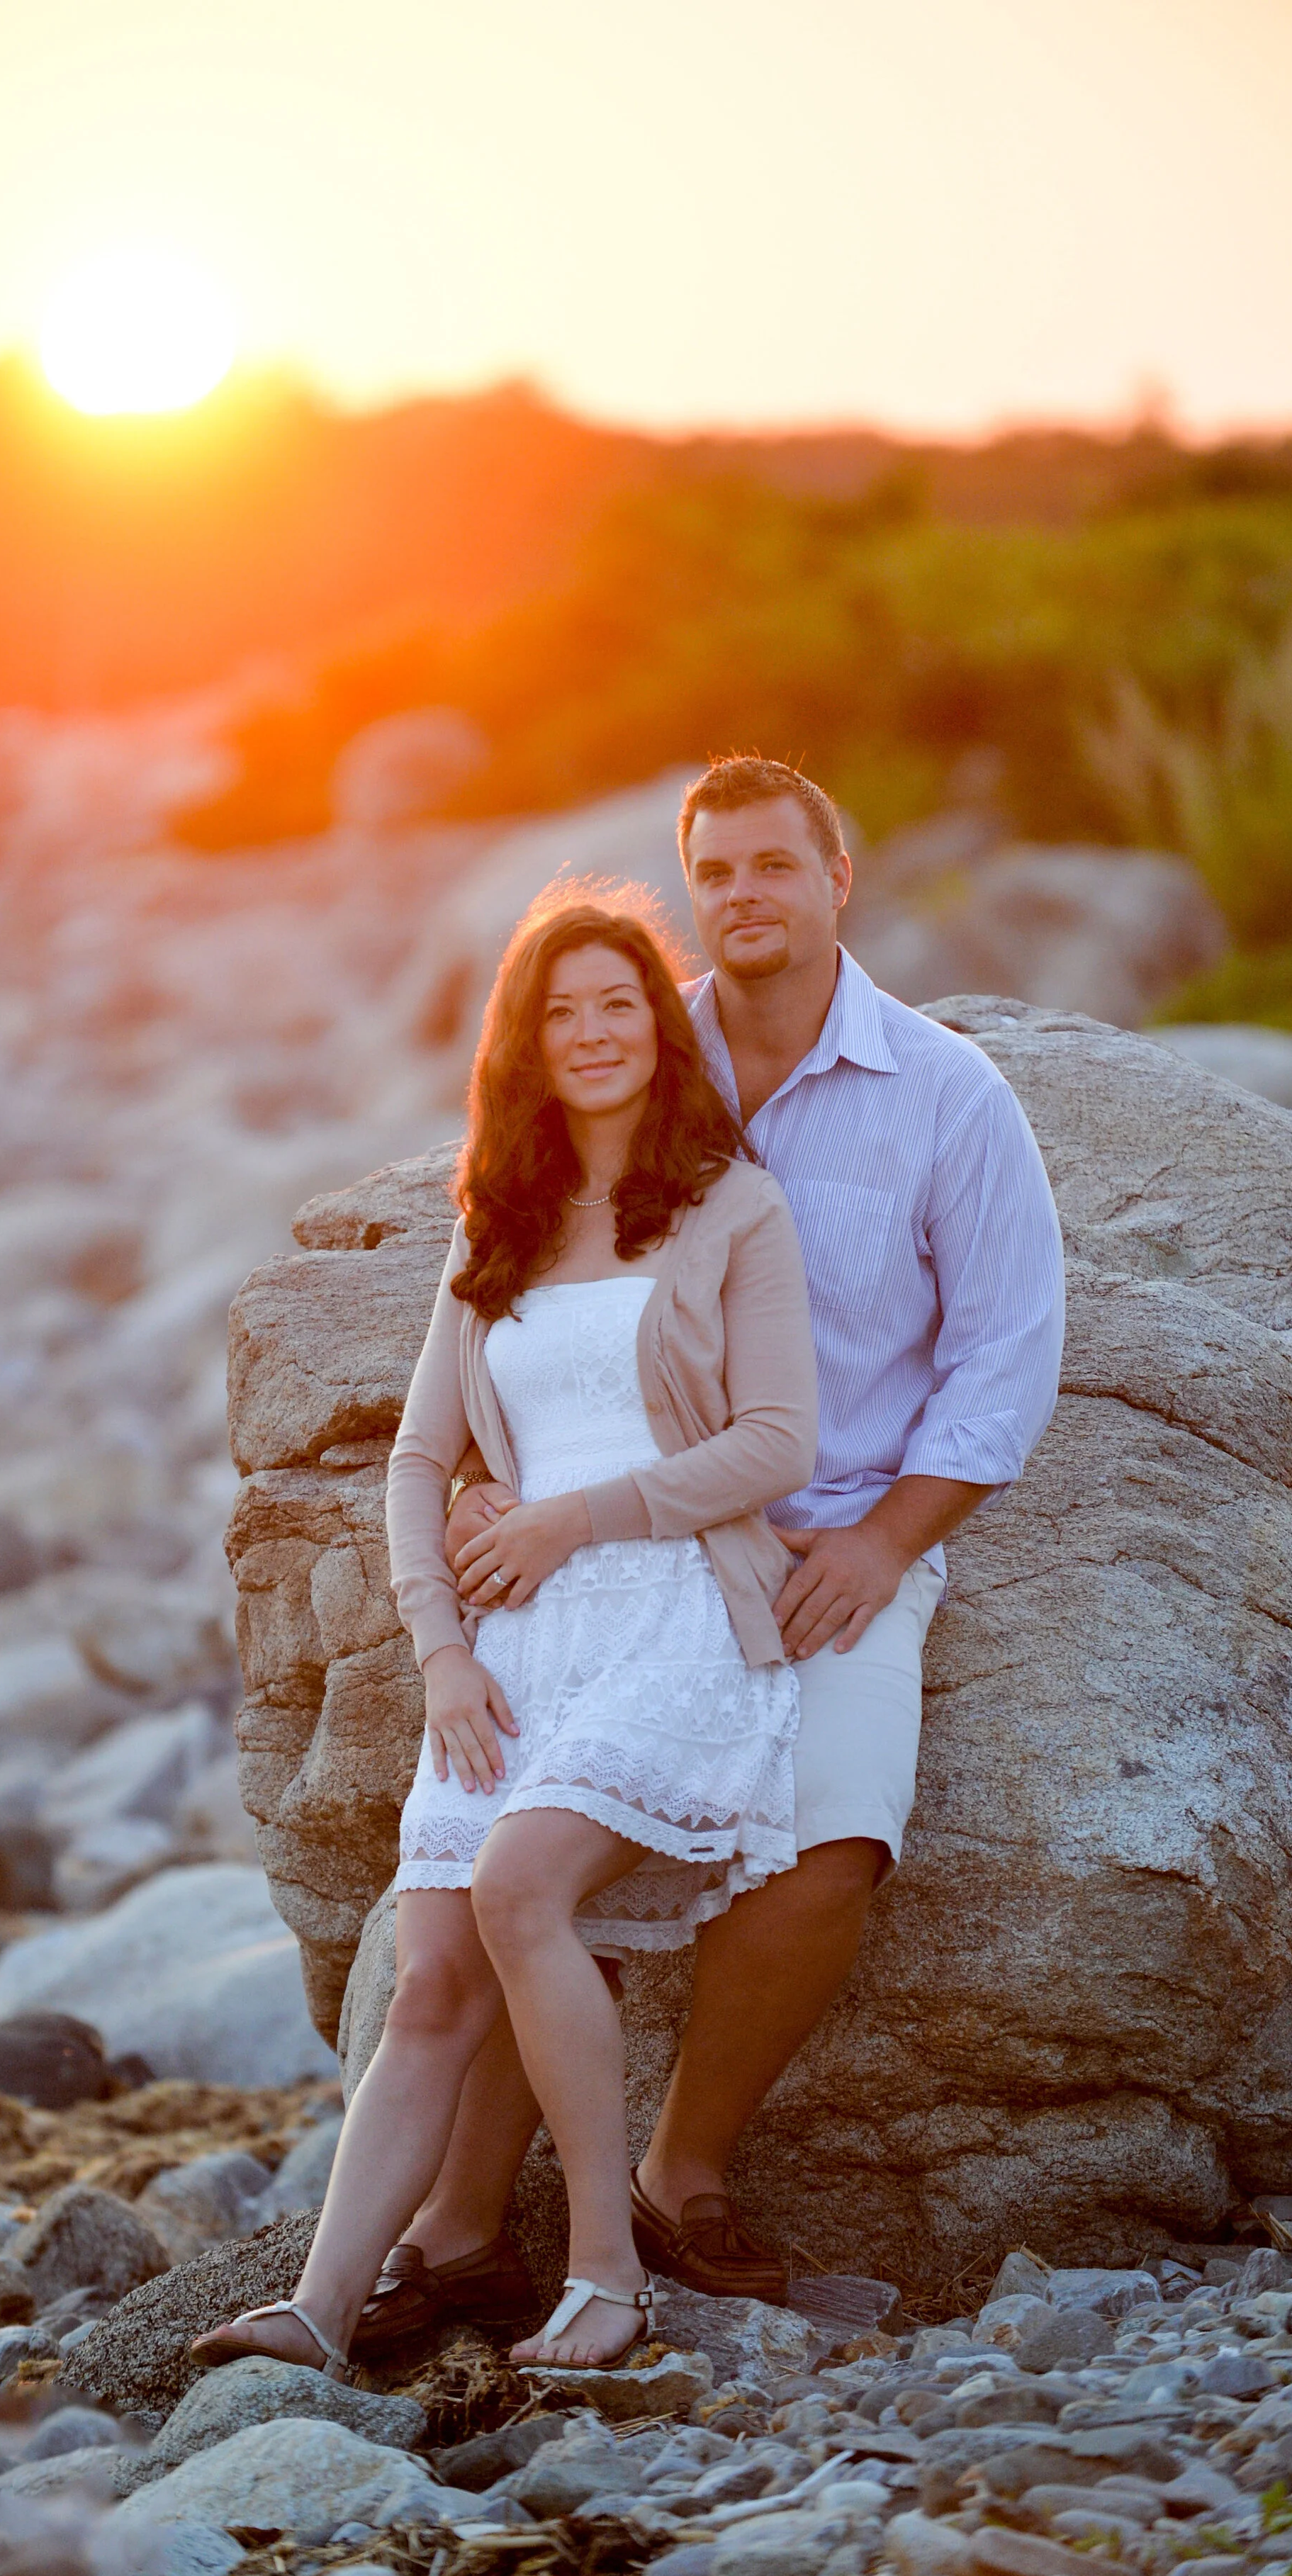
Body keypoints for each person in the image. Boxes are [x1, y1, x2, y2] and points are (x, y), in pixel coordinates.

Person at [352, 755, 1065, 2354]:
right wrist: (493, 1474)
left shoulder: (948, 1096)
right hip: (614, 1550)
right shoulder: (627, 1038)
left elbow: (1007, 1355)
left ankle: (679, 2177)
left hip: (821, 1537)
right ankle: (460, 2231)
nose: (742, 897)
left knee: (827, 1850)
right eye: (714, 873)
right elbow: (513, 1248)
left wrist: (889, 1543)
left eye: (771, 866)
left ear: (836, 875)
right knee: (514, 1866)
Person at [190, 890, 818, 2375]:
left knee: (525, 1886)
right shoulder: (499, 1222)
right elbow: (418, 1462)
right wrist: (441, 1649)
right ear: (523, 1047)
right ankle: (318, 2308)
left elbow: (777, 1443)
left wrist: (564, 1521)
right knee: (428, 1985)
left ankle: (604, 2276)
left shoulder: (735, 1205)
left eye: (616, 1006)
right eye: (559, 1013)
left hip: (672, 1617)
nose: (591, 1034)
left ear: (655, 1031)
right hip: (508, 1656)